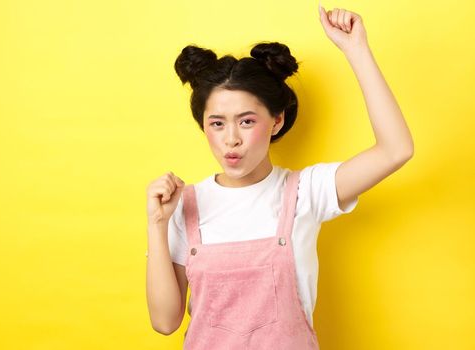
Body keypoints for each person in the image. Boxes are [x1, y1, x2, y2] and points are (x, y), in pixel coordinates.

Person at [144, 5, 414, 348]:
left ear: (276, 121)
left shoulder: (307, 191)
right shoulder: (184, 205)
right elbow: (164, 321)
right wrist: (157, 224)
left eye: (246, 121)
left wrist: (356, 49)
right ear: (204, 126)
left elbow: (396, 149)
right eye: (217, 123)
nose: (231, 139)